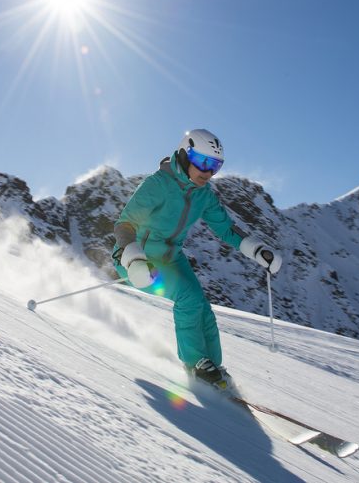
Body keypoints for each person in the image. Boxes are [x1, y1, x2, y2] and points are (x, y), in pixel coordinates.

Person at [111, 129, 281, 392]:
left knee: (202, 306)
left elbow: (225, 228)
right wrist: (133, 259)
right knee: (188, 299)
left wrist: (256, 249)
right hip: (138, 259)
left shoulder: (204, 195)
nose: (207, 172)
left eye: (215, 166)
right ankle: (195, 366)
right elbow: (125, 224)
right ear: (184, 154)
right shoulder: (158, 184)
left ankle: (212, 365)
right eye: (203, 162)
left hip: (171, 258)